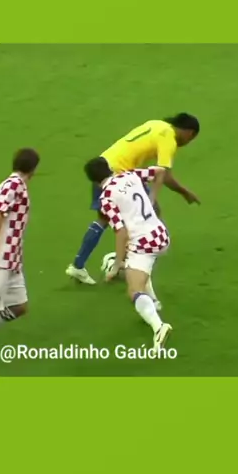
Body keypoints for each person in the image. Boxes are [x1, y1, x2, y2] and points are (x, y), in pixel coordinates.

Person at [66, 113, 200, 284]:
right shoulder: (169, 138)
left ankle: (78, 265)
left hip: (102, 164)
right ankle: (131, 263)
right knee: (149, 213)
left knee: (104, 218)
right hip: (120, 173)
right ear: (189, 132)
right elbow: (163, 174)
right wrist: (181, 192)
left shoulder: (156, 124)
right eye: (191, 138)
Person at [84, 157, 172, 351]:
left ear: (94, 181)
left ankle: (159, 327)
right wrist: (152, 199)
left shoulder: (106, 199)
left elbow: (121, 231)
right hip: (161, 234)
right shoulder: (130, 175)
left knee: (134, 290)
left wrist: (117, 264)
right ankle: (154, 302)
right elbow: (160, 172)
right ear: (109, 168)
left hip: (143, 244)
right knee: (137, 267)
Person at [0, 148, 40, 331]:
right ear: (33, 169)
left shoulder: (10, 184)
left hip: (13, 259)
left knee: (19, 306)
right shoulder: (14, 185)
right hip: (1, 257)